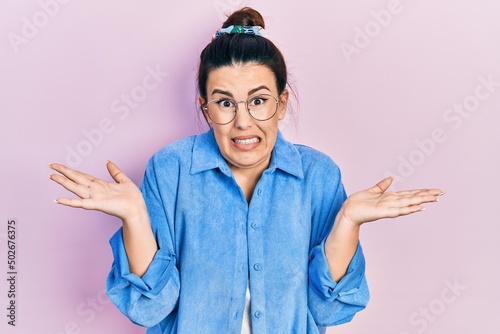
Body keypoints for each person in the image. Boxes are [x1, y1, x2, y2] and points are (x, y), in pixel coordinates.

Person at [49, 7, 443, 334]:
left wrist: (348, 222)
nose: (243, 122)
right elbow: (151, 310)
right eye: (224, 103)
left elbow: (329, 312)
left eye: (258, 101)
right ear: (205, 106)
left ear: (282, 103)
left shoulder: (319, 176)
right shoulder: (171, 169)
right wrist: (134, 216)